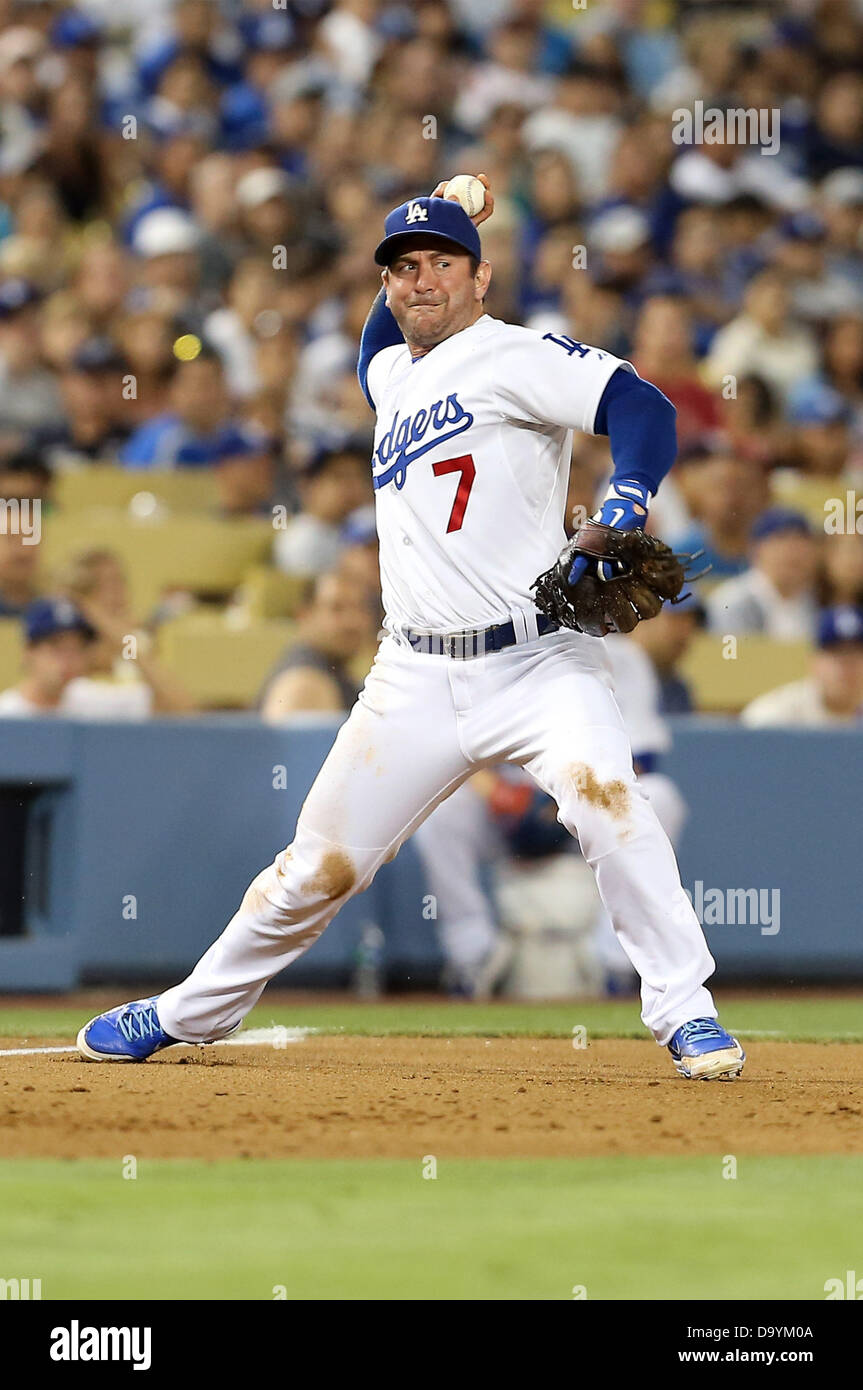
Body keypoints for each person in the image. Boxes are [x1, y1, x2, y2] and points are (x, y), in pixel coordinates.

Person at [78, 176, 744, 1082]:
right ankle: (186, 1013)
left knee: (610, 804)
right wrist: (436, 211)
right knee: (315, 871)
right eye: (401, 268)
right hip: (413, 677)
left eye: (440, 262)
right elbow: (371, 344)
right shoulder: (391, 375)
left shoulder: (517, 354)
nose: (419, 281)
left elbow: (643, 410)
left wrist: (623, 502)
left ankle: (687, 1014)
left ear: (482, 278)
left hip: (538, 659)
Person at [259, 570, 377, 723]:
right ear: (304, 615)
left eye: (360, 608)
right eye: (337, 608)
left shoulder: (335, 673)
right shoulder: (305, 684)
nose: (352, 621)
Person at [706, 508, 819, 641]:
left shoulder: (817, 602)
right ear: (756, 548)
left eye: (801, 542)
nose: (792, 551)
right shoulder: (731, 602)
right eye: (781, 540)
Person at [741, 606, 863, 727]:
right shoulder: (776, 716)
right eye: (836, 653)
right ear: (813, 660)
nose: (847, 665)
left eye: (856, 654)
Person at [0, 597, 94, 716]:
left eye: (77, 648)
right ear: (29, 651)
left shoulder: (91, 700)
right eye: (57, 647)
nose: (69, 658)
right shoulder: (7, 714)